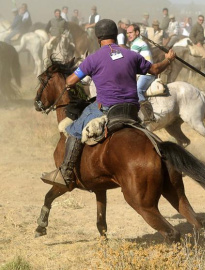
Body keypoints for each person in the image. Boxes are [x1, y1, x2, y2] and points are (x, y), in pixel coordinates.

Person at [41, 19, 176, 187]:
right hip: (132, 109)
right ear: (116, 35)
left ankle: (65, 173)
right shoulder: (132, 55)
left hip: (106, 108)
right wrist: (169, 59)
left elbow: (70, 81)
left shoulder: (93, 59)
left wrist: (73, 76)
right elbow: (155, 70)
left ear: (98, 38)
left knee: (73, 129)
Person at [127, 23, 157, 123]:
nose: (129, 35)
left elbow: (130, 61)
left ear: (137, 33)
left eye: (131, 32)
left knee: (137, 90)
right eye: (127, 33)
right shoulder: (137, 42)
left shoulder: (136, 44)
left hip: (147, 74)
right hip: (144, 73)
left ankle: (149, 116)